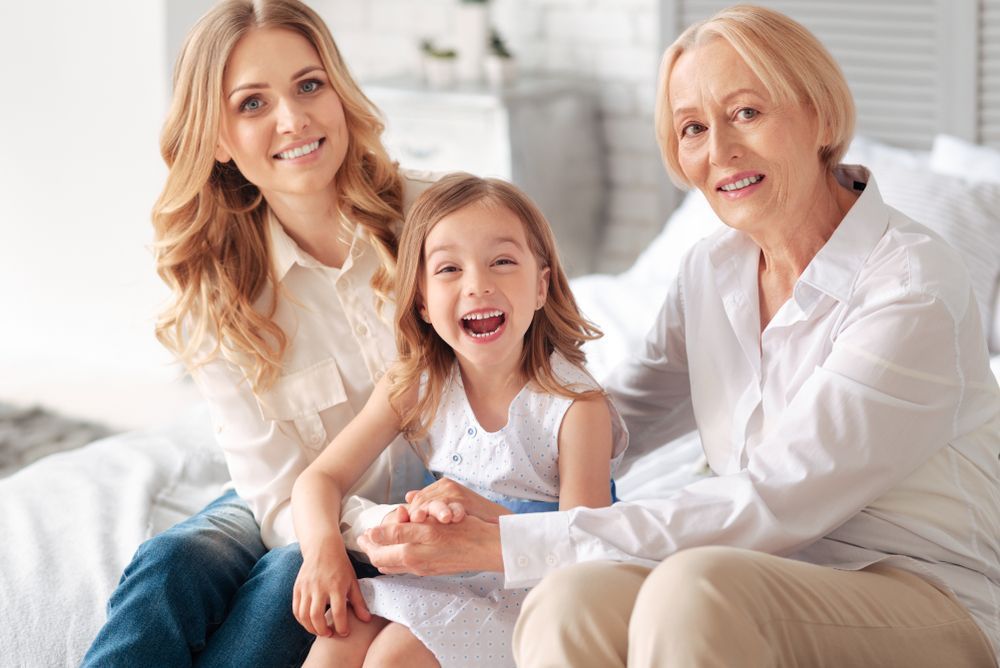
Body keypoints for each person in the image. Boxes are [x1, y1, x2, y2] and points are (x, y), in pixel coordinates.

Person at [356, 6, 1000, 667]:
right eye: (693, 128)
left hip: (921, 594)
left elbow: (776, 497)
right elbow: (610, 420)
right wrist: (487, 490)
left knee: (692, 588)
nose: (719, 151)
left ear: (820, 117)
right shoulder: (712, 270)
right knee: (568, 596)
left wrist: (510, 541)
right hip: (752, 570)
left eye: (747, 112)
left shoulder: (910, 284)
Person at [82, 1, 436, 665]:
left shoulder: (434, 219)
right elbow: (277, 500)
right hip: (290, 502)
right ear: (216, 139)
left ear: (339, 91)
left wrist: (353, 535)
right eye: (252, 103)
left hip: (410, 516)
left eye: (309, 85)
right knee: (170, 563)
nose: (293, 119)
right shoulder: (219, 293)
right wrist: (347, 527)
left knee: (285, 581)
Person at [291, 173, 628, 668]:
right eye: (449, 268)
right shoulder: (418, 384)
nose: (478, 285)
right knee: (336, 646)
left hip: (527, 593)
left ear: (541, 286)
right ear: (423, 301)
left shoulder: (576, 408)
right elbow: (319, 478)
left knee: (391, 658)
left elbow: (584, 556)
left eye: (503, 262)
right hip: (439, 574)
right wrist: (322, 553)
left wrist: (481, 514)